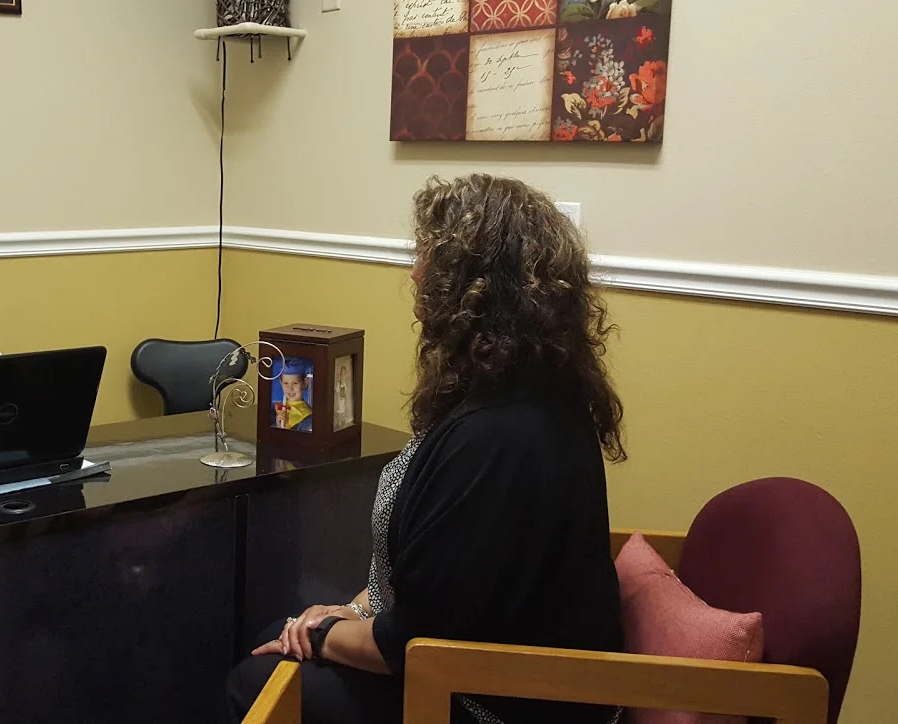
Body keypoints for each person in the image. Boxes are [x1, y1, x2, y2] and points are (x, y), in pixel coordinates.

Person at [228, 174, 628, 724]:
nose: (414, 273)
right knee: (278, 634)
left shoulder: (496, 439)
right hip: (476, 659)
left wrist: (323, 634)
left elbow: (415, 643)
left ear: (474, 283)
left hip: (491, 700)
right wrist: (351, 610)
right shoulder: (533, 391)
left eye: (428, 257)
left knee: (256, 676)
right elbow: (443, 585)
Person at [274, 357, 315, 431]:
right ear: (281, 383)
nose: (290, 388)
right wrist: (278, 426)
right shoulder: (275, 410)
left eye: (295, 383)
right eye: (286, 383)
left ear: (305, 383)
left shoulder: (308, 418)